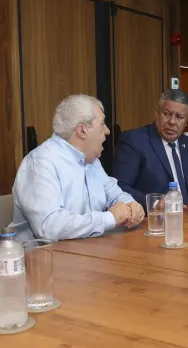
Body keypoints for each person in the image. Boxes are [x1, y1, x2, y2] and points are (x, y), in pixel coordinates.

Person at [12, 94, 143, 241]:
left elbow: (115, 195)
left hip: (89, 251)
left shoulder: (92, 161)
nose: (107, 130)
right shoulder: (41, 162)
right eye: (102, 124)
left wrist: (131, 205)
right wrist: (109, 218)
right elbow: (49, 226)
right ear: (81, 131)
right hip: (44, 257)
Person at [112, 89, 188, 209]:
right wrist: (155, 204)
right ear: (156, 112)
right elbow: (119, 187)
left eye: (179, 117)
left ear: (187, 120)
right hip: (156, 219)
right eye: (167, 114)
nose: (172, 122)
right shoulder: (134, 141)